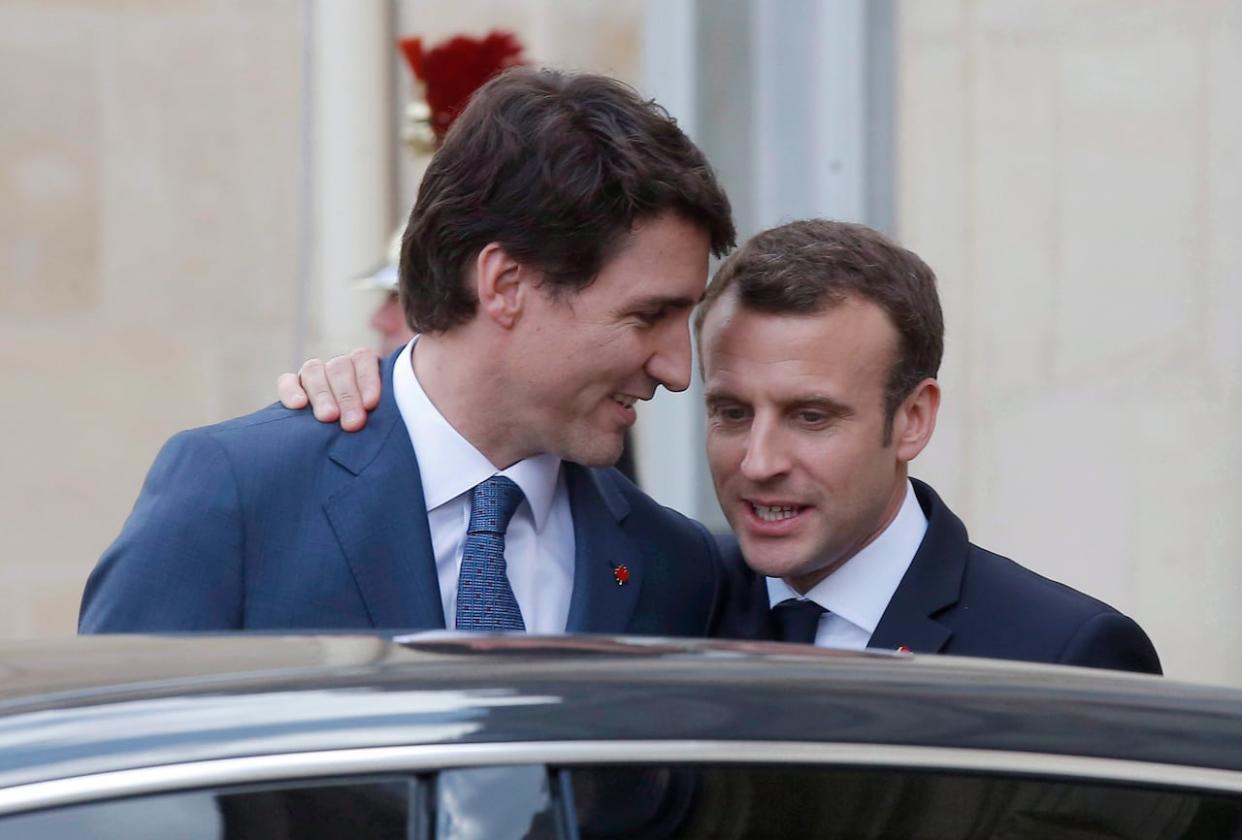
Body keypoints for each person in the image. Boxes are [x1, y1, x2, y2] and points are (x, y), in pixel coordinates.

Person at [290, 219, 1161, 674]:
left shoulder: (1061, 652)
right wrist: (379, 393)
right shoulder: (665, 592)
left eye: (812, 416)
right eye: (732, 412)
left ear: (914, 420)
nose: (758, 461)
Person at [79, 67, 736, 636]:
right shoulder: (240, 495)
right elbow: (107, 761)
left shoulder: (674, 566)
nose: (678, 371)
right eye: (649, 315)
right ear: (506, 285)